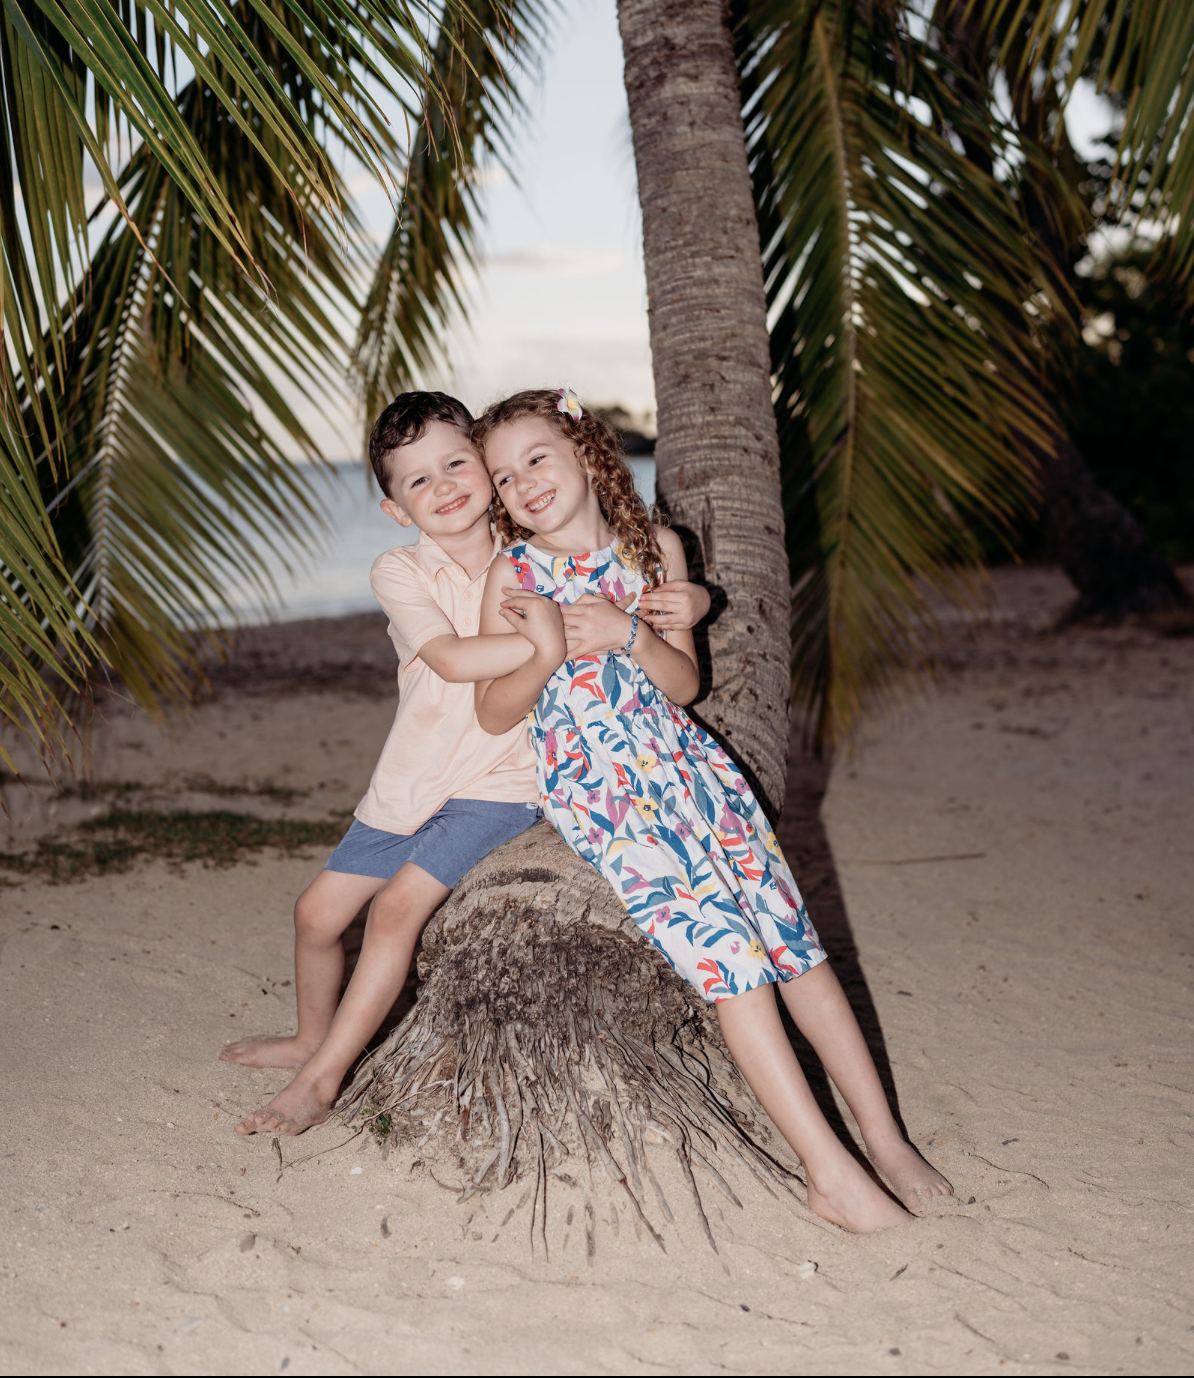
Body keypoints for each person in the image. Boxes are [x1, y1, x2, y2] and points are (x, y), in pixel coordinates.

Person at [472, 387, 952, 1233]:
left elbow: (687, 684)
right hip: (605, 789)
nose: (524, 485)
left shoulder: (654, 547)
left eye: (536, 458)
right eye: (505, 479)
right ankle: (826, 1169)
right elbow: (492, 710)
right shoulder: (514, 574)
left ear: (585, 449)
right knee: (733, 959)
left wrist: (630, 635)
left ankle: (884, 1137)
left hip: (694, 772)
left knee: (795, 949)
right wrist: (548, 650)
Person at [223, 391, 710, 1135]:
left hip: (501, 780)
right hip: (412, 776)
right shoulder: (400, 571)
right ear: (396, 510)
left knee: (395, 911)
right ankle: (309, 1037)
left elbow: (625, 587)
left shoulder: (533, 549)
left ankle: (321, 1082)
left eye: (457, 464)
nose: (444, 486)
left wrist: (692, 602)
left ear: (488, 470)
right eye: (418, 481)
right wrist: (554, 642)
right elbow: (451, 658)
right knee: (315, 915)